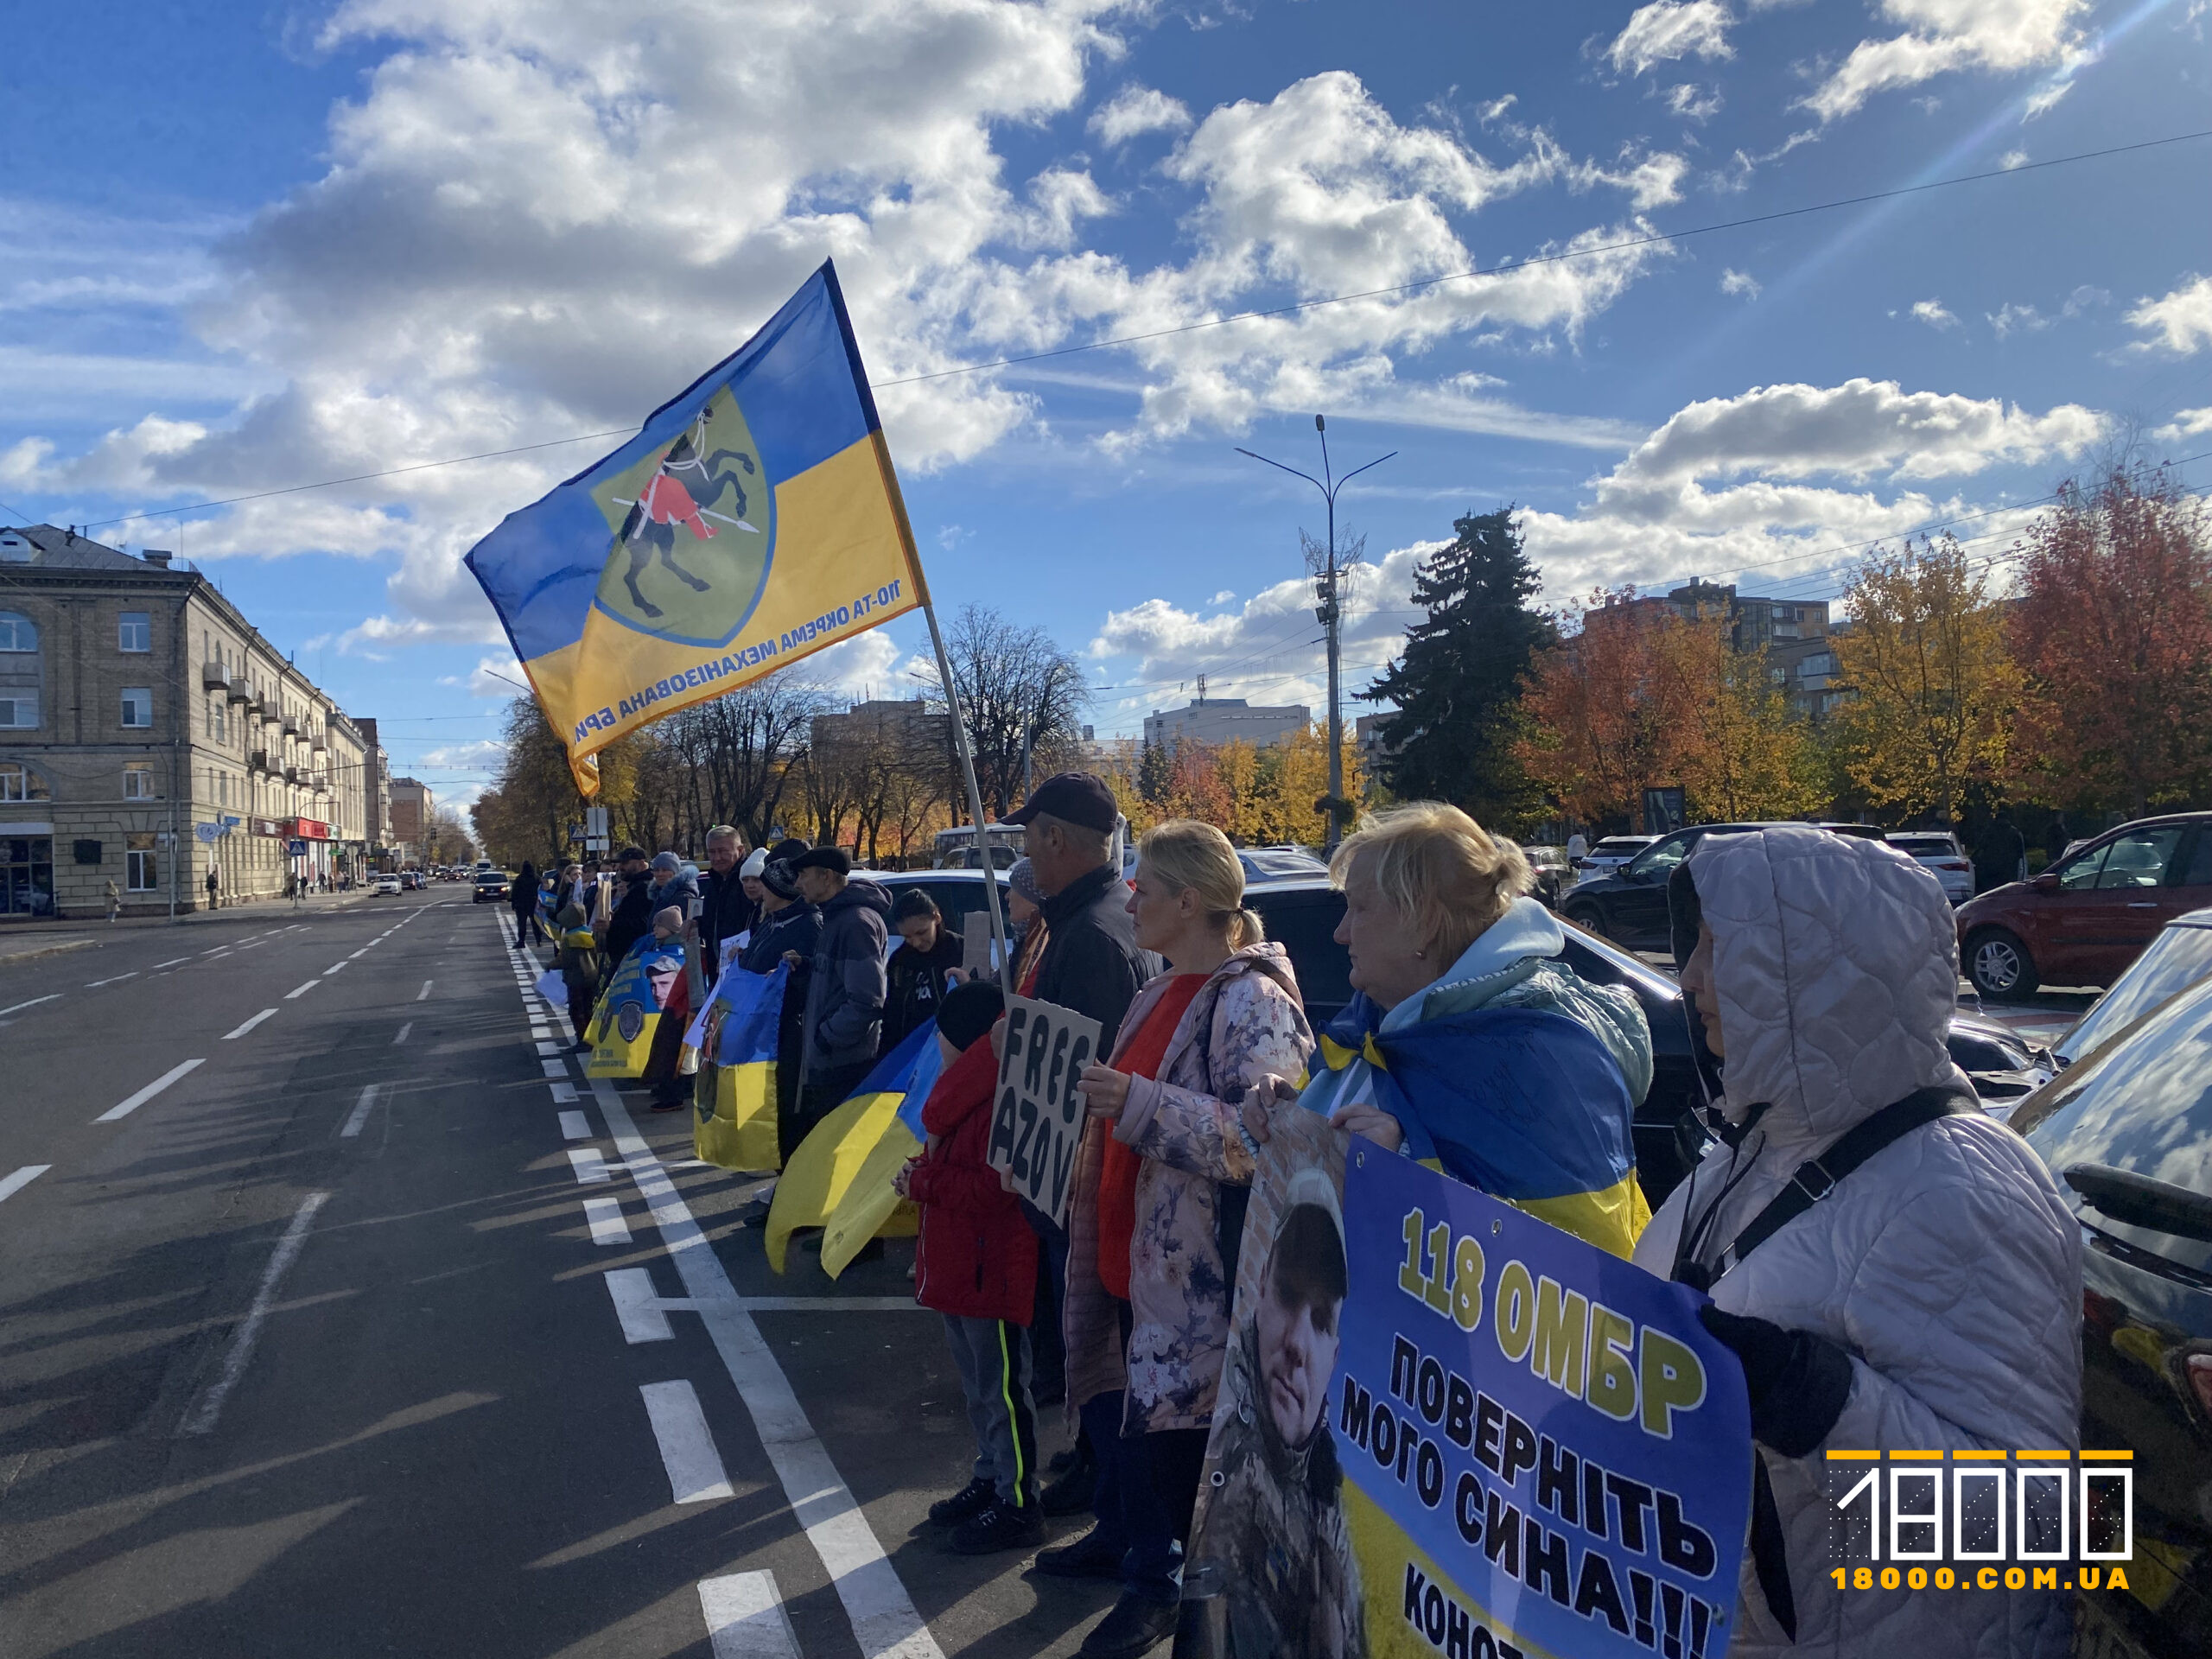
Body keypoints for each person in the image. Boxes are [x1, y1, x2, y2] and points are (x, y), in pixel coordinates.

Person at [1641, 824, 2081, 1656]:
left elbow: (2028, 1536)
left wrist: (1818, 1404)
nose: (1689, 979)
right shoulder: (1756, 1152)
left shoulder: (1962, 1192)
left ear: (1810, 973)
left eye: (1714, 949)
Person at [1046, 819, 1313, 1659]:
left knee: (1202, 1492)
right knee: (1153, 1460)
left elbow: (1267, 1141)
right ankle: (1152, 1584)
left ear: (1189, 901)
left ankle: (1181, 1611)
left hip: (1206, 1300)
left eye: (1146, 889)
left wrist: (1135, 1103)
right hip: (1147, 1279)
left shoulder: (1252, 999)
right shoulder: (1156, 991)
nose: (1131, 900)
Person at [1285, 801, 1653, 1258]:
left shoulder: (1538, 1058)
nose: (1340, 933)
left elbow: (1581, 1273)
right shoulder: (1375, 1020)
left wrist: (1401, 1169)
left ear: (1424, 925)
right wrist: (1277, 1117)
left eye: (1359, 909)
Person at [997, 774, 1157, 1522]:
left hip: (1081, 1181)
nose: (1026, 849)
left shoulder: (1092, 933)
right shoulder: (1094, 918)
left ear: (1056, 839)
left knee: (1097, 1351)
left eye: (1031, 834)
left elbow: (1082, 1078)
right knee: (1094, 1351)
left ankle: (1120, 1514)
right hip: (1080, 1178)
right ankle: (1101, 1481)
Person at [898, 979, 1044, 1554]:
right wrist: (922, 1171)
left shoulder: (996, 1099)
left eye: (941, 1038)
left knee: (1003, 1389)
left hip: (989, 1269)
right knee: (979, 1387)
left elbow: (993, 1190)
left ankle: (1017, 1500)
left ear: (964, 1042)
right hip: (963, 1267)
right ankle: (989, 1476)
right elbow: (952, 1165)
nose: (937, 1047)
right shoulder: (963, 1098)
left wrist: (923, 1181)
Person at [1198, 1173, 1363, 1658]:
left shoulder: (1331, 1501)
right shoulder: (1217, 1436)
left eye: (1320, 1321)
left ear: (1334, 1356)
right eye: (1289, 1294)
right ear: (1262, 1286)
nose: (1296, 1343)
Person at [782, 847, 891, 1140]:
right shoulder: (836, 918)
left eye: (803, 875)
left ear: (826, 876)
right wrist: (805, 968)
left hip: (843, 1066)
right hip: (830, 1062)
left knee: (836, 1152)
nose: (797, 884)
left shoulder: (855, 922)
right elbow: (838, 984)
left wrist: (826, 1038)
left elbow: (867, 1001)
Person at [881, 888, 963, 1056]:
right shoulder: (900, 961)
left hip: (948, 1053)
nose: (916, 942)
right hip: (908, 1054)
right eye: (907, 937)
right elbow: (892, 1016)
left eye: (922, 932)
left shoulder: (959, 950)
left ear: (937, 917)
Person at [698, 824, 754, 989]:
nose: (717, 857)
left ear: (740, 849)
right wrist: (696, 924)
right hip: (719, 973)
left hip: (744, 972)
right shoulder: (714, 883)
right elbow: (715, 922)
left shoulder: (750, 881)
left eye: (723, 851)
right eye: (712, 852)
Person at [553, 902, 602, 1051]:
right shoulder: (588, 933)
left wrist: (551, 965)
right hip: (591, 977)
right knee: (588, 1008)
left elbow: (567, 959)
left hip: (575, 978)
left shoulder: (570, 938)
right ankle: (591, 1037)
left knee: (576, 1010)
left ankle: (582, 1040)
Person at [599, 846, 658, 966]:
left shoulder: (645, 888)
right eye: (620, 863)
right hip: (627, 956)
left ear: (641, 864)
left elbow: (643, 923)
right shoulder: (635, 885)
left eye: (625, 863)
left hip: (634, 957)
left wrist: (611, 925)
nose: (620, 867)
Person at [511, 859, 544, 948]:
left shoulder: (520, 878)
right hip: (533, 904)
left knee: (522, 924)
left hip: (521, 905)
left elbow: (514, 892)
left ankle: (521, 941)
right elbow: (542, 891)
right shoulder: (537, 878)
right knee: (536, 923)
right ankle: (538, 941)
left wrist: (513, 903)